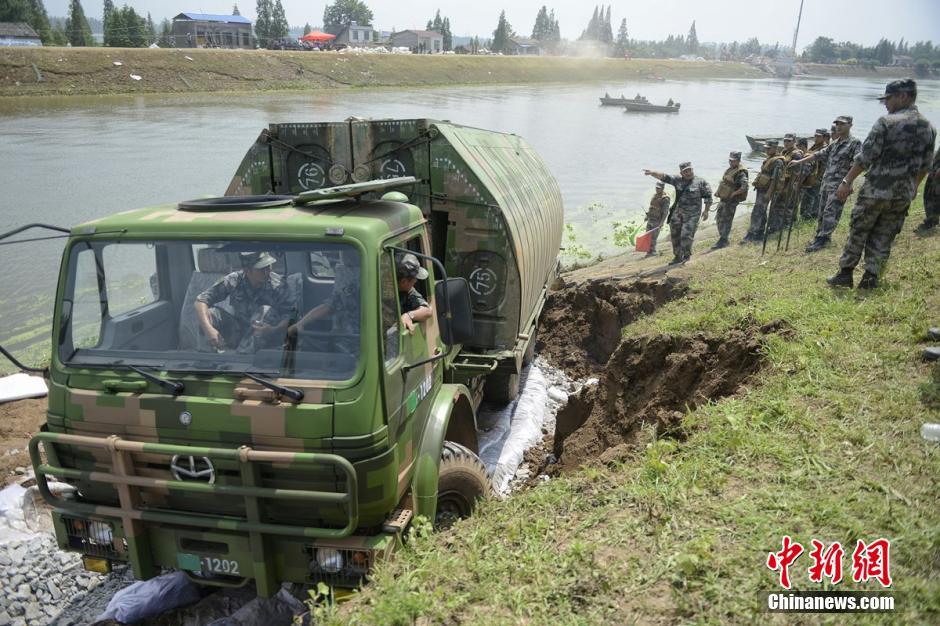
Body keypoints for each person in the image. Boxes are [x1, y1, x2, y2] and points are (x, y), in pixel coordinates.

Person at [827, 79, 937, 289]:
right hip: (902, 194)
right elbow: (926, 165)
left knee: (859, 230)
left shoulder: (886, 122)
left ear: (903, 96)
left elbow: (865, 157)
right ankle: (871, 277)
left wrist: (847, 181)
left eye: (888, 99)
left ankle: (845, 274)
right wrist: (914, 187)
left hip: (876, 191)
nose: (885, 104)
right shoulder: (929, 128)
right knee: (885, 234)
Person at [789, 116, 862, 252]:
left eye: (842, 124)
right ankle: (819, 236)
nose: (839, 127)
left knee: (831, 211)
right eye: (837, 124)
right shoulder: (835, 143)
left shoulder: (855, 143)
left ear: (850, 125)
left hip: (840, 185)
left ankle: (824, 239)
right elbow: (819, 154)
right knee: (822, 211)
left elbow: (858, 163)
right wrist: (799, 162)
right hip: (826, 183)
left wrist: (848, 183)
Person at [195, 251, 294, 352]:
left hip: (266, 336)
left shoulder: (279, 285)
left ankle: (245, 357)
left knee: (265, 310)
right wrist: (208, 329)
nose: (267, 272)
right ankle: (207, 360)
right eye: (261, 269)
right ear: (247, 271)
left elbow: (292, 316)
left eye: (269, 266)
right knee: (210, 314)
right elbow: (200, 301)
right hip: (238, 332)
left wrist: (273, 330)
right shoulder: (234, 280)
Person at [643, 162, 713, 264]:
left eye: (690, 170)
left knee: (686, 235)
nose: (688, 173)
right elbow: (664, 176)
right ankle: (677, 256)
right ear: (681, 173)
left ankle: (686, 256)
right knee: (675, 235)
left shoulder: (701, 182)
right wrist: (652, 173)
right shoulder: (677, 180)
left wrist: (706, 211)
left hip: (692, 215)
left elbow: (708, 197)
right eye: (685, 171)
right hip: (678, 213)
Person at [741, 140, 786, 243]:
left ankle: (752, 233)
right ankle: (759, 232)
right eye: (766, 148)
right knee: (761, 211)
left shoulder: (778, 161)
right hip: (762, 189)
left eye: (769, 148)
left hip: (766, 191)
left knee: (757, 212)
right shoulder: (770, 158)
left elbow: (775, 179)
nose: (766, 150)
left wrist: (769, 193)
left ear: (775, 148)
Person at [711, 151, 749, 249]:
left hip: (731, 200)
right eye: (730, 160)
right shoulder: (730, 169)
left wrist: (734, 193)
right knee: (719, 218)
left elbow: (745, 186)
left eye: (733, 161)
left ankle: (723, 240)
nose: (731, 163)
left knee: (726, 219)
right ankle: (722, 238)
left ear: (738, 161)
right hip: (724, 198)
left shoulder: (741, 172)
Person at [395, 253, 433, 331]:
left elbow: (427, 311)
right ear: (404, 281)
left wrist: (409, 315)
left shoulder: (408, 290)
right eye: (414, 279)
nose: (415, 281)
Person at [798, 129, 830, 221]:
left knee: (812, 199)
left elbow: (824, 166)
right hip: (810, 176)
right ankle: (806, 217)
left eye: (819, 136)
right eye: (815, 136)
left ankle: (809, 218)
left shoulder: (824, 148)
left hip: (817, 178)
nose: (816, 138)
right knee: (806, 198)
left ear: (824, 137)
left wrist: (818, 178)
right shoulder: (814, 146)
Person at [914, 142, 940, 233]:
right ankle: (932, 220)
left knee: (932, 196)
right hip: (936, 168)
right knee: (930, 194)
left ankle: (932, 221)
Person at [645, 181, 671, 256]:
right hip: (650, 219)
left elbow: (665, 212)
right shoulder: (655, 196)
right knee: (648, 235)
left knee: (653, 237)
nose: (657, 189)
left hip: (657, 220)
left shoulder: (665, 198)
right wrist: (647, 216)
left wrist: (662, 222)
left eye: (659, 188)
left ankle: (652, 252)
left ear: (663, 188)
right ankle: (648, 251)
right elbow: (651, 207)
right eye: (656, 188)